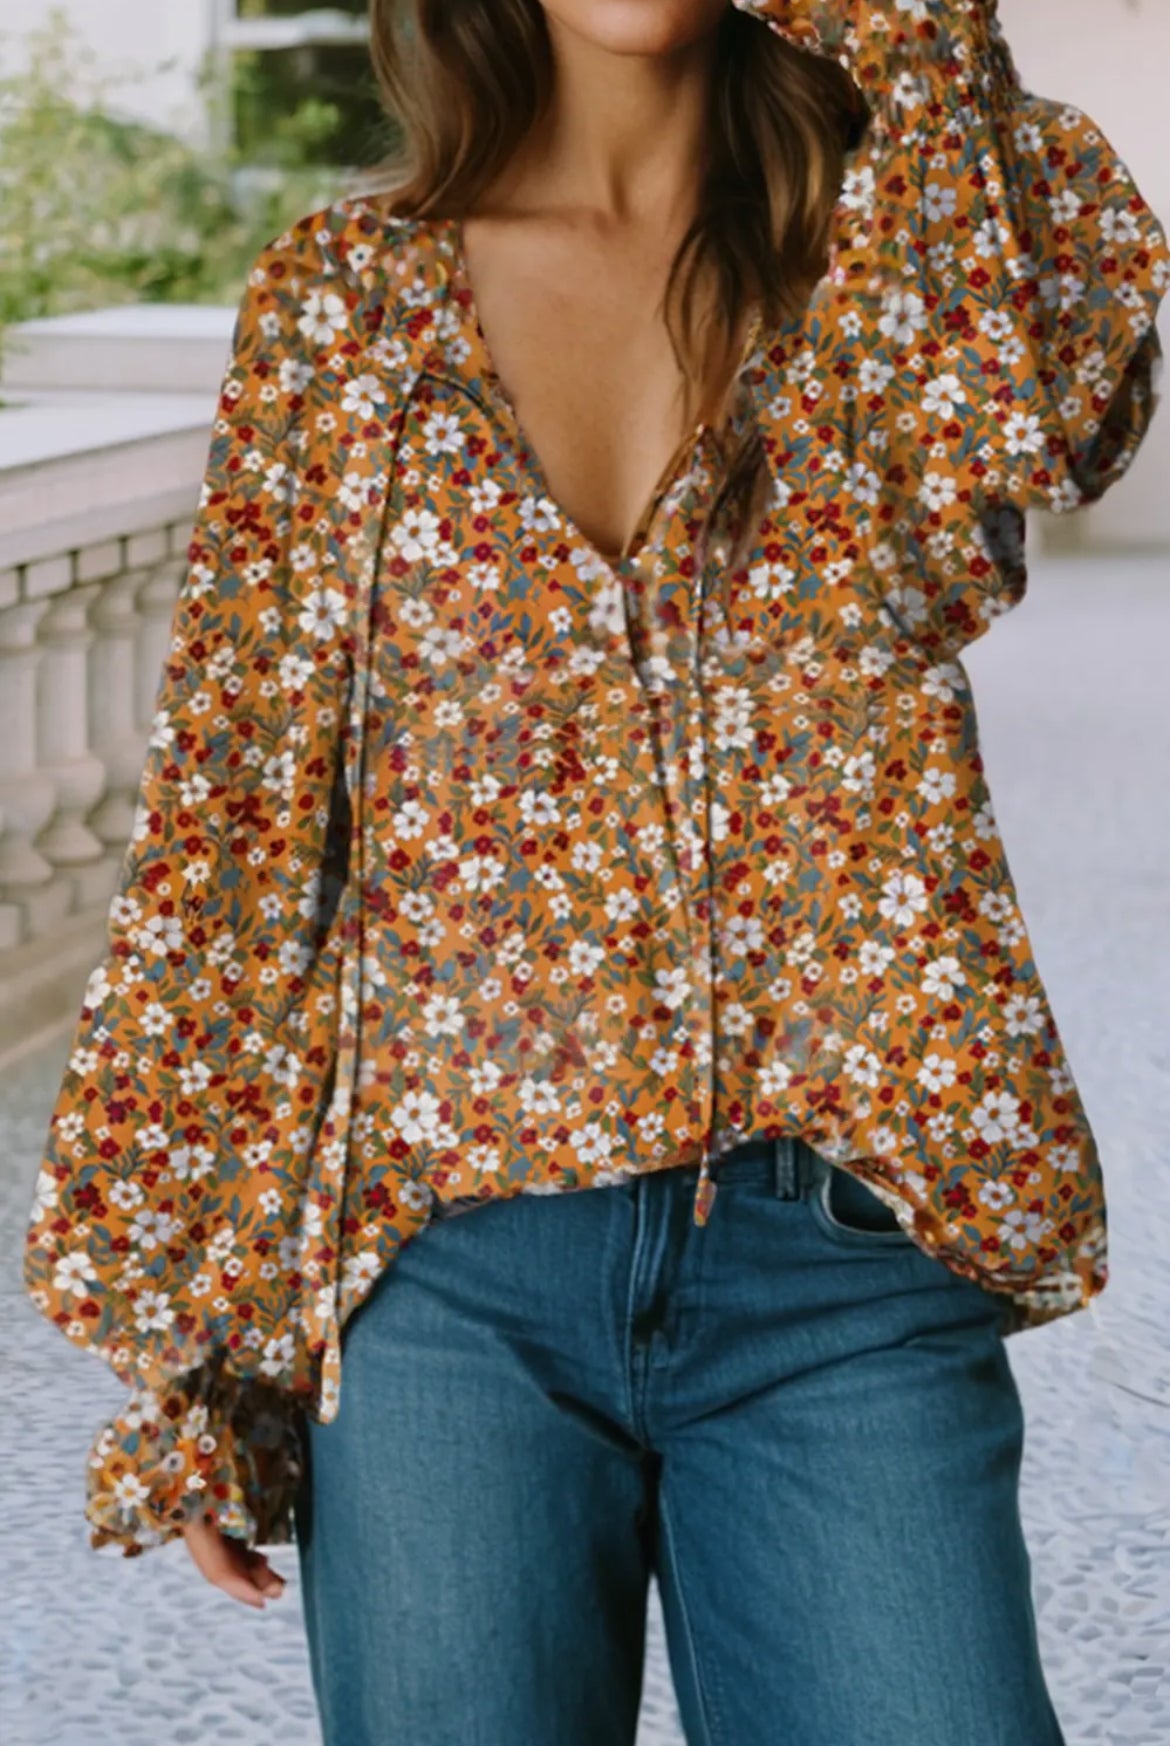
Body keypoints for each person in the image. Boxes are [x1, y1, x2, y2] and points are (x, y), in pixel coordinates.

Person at [21, 2, 1168, 1742]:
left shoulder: (894, 266)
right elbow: (235, 843)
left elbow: (1065, 410)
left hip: (839, 1264)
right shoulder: (346, 310)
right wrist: (194, 1345)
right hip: (441, 1293)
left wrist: (899, 31)